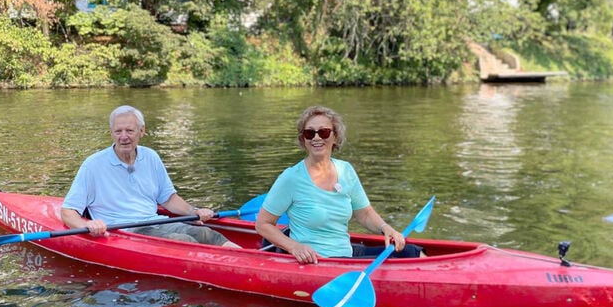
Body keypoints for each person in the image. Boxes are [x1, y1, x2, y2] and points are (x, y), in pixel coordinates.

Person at [256, 105, 423, 263]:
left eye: (324, 132)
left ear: (335, 136)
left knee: (412, 252)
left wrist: (386, 228)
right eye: (309, 133)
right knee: (392, 263)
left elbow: (364, 213)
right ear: (303, 139)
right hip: (316, 261)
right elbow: (263, 224)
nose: (316, 138)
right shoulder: (291, 178)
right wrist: (295, 247)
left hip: (345, 255)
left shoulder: (346, 170)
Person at [61, 105, 239, 247]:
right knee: (183, 241)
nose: (123, 137)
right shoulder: (93, 165)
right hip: (126, 231)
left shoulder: (151, 157)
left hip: (155, 221)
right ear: (111, 132)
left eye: (129, 131)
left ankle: (246, 262)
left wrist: (194, 212)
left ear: (141, 131)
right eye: (118, 131)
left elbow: (168, 199)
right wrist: (87, 226)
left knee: (207, 233)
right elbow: (68, 212)